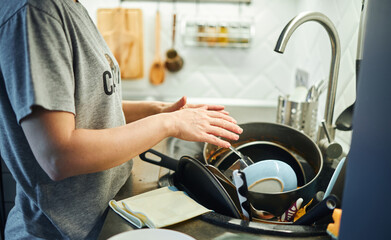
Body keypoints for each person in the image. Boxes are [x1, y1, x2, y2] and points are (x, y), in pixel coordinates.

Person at [0, 0, 243, 239]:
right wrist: (170, 123)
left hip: (103, 215)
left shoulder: (69, 7)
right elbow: (59, 156)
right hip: (59, 232)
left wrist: (160, 111)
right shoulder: (35, 12)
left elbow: (88, 107)